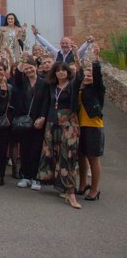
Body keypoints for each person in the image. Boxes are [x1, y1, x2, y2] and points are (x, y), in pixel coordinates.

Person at [37, 61, 83, 209]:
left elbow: (80, 77)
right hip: (52, 124)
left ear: (68, 72)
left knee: (68, 156)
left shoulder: (72, 85)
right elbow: (46, 103)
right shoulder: (51, 86)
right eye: (58, 70)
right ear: (54, 73)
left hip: (69, 125)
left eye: (64, 70)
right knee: (52, 154)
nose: (61, 72)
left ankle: (71, 192)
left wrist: (78, 60)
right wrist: (42, 117)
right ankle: (61, 187)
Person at [12, 55, 49, 191]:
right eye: (26, 69)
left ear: (36, 67)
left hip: (37, 120)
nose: (29, 71)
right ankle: (25, 176)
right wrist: (22, 61)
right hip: (24, 120)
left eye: (31, 68)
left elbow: (46, 101)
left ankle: (35, 177)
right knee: (24, 149)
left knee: (36, 149)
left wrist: (42, 117)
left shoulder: (44, 83)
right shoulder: (22, 82)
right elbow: (17, 74)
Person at [77, 46, 105, 201]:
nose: (87, 77)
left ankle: (95, 189)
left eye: (90, 75)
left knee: (93, 158)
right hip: (80, 126)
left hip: (94, 127)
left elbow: (98, 76)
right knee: (81, 156)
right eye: (86, 75)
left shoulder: (98, 89)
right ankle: (83, 185)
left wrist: (96, 60)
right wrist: (77, 58)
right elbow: (78, 73)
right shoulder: (80, 90)